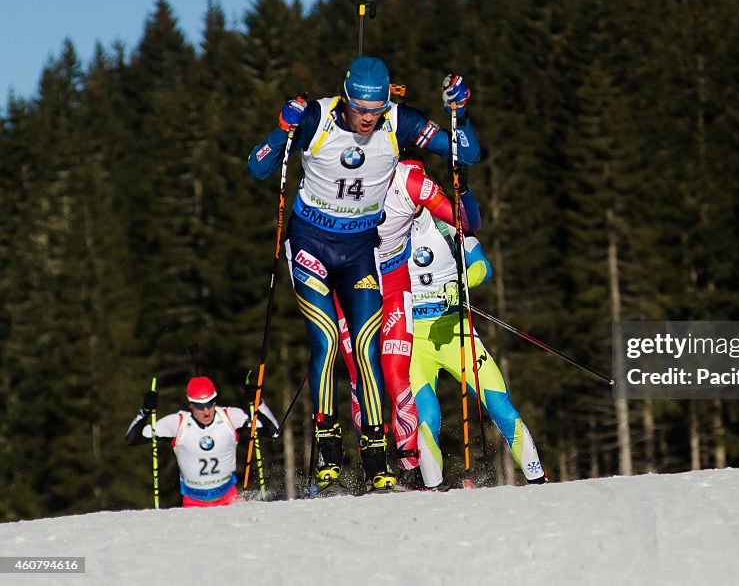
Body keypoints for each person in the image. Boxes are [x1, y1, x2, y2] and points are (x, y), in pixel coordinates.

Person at [246, 58, 479, 492]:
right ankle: (329, 447)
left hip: (358, 251)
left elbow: (465, 154)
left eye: (376, 108)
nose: (368, 118)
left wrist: (459, 113)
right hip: (311, 244)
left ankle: (377, 458)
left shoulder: (398, 122)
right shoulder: (316, 117)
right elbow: (258, 166)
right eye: (360, 109)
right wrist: (282, 128)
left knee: (369, 349)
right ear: (346, 98)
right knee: (329, 340)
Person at [334, 158, 481, 490]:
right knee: (361, 376)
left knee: (397, 378)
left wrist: (464, 192)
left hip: (399, 300)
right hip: (355, 293)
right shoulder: (354, 190)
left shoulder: (425, 207)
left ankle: (409, 467)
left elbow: (469, 226)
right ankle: (374, 465)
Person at [407, 211, 547, 489]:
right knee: (426, 417)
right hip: (414, 340)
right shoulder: (387, 228)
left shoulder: (447, 225)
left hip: (457, 333)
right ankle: (432, 489)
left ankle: (538, 478)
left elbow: (482, 265)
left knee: (500, 406)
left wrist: (462, 283)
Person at [125, 376, 279, 508]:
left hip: (229, 499)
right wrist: (145, 411)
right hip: (193, 503)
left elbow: (273, 431)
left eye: (210, 404)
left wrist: (258, 403)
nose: (206, 411)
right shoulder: (178, 423)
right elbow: (133, 438)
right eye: (200, 406)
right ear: (190, 404)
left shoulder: (230, 416)